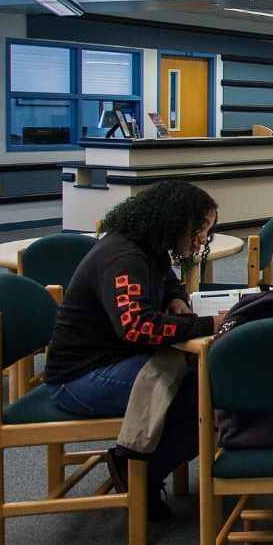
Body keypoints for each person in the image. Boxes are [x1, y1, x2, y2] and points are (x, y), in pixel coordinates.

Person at [44, 180, 220, 517]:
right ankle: (138, 472)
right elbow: (138, 330)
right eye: (200, 229)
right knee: (208, 398)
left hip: (113, 361)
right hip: (80, 378)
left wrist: (177, 300)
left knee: (204, 388)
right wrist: (209, 325)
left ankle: (139, 465)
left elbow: (169, 281)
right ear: (175, 220)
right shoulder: (123, 258)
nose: (202, 239)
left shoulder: (149, 248)